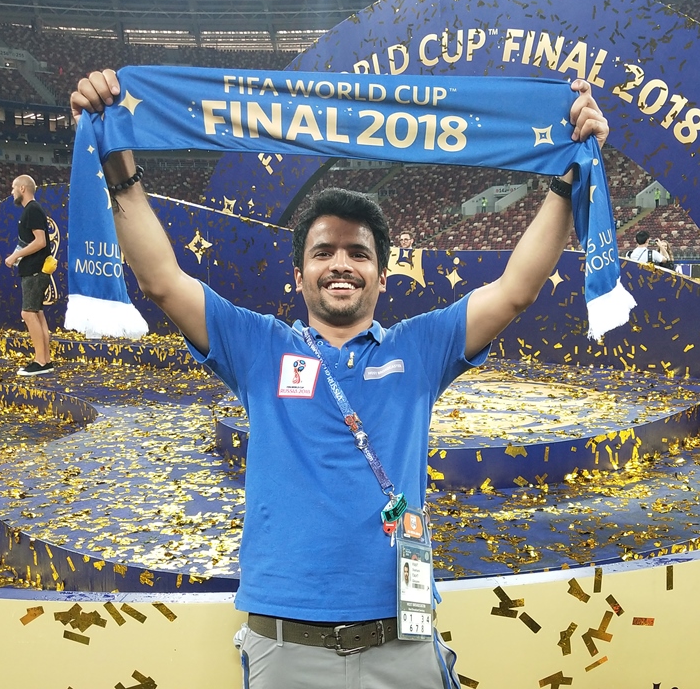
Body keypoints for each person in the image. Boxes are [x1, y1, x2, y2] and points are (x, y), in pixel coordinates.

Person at [71, 69, 609, 689]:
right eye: (323, 252)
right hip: (287, 648)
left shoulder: (421, 347)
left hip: (402, 645)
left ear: (381, 274)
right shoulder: (258, 346)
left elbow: (515, 290)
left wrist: (567, 179)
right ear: (299, 275)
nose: (341, 265)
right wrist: (119, 167)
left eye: (359, 254)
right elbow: (162, 281)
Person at [3, 174, 54, 376]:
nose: (12, 192)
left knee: (28, 313)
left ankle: (40, 361)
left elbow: (40, 241)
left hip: (34, 269)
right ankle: (45, 360)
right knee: (37, 312)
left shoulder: (32, 209)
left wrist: (15, 255)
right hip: (35, 269)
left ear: (22, 188)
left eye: (13, 187)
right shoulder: (32, 210)